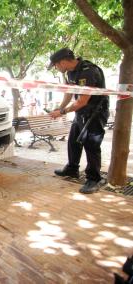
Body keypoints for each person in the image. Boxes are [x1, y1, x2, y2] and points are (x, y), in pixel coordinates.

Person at [48, 48, 109, 194]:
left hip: (95, 113)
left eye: (56, 65)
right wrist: (60, 108)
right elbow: (70, 93)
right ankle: (72, 169)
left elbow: (82, 101)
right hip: (81, 112)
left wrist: (62, 112)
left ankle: (94, 179)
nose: (56, 69)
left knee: (91, 145)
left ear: (62, 62)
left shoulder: (88, 71)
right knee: (73, 140)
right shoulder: (70, 72)